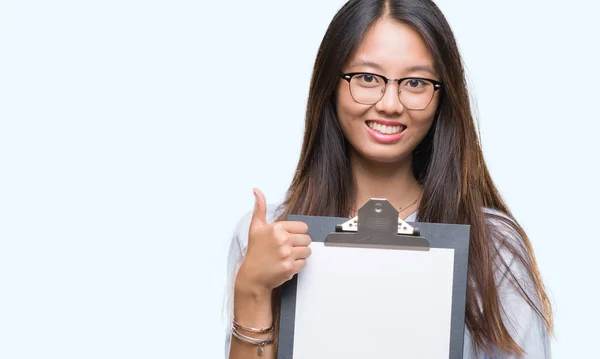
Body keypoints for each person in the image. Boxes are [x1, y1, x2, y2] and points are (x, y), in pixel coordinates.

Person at [223, 0, 553, 357]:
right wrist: (252, 290)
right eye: (367, 78)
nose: (390, 103)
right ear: (330, 85)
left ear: (443, 96)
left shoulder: (494, 248)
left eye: (415, 82)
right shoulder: (270, 234)